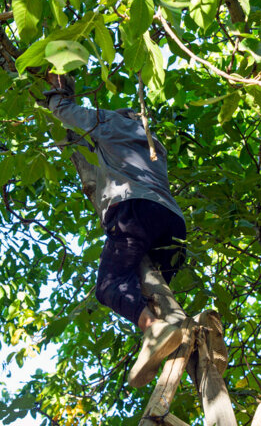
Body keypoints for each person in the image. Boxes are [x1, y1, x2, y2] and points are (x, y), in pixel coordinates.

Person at [44, 73, 187, 388]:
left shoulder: (112, 123)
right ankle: (172, 333)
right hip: (173, 226)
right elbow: (83, 145)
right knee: (148, 293)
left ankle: (154, 330)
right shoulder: (152, 147)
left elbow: (69, 115)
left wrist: (55, 96)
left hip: (137, 212)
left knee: (109, 287)